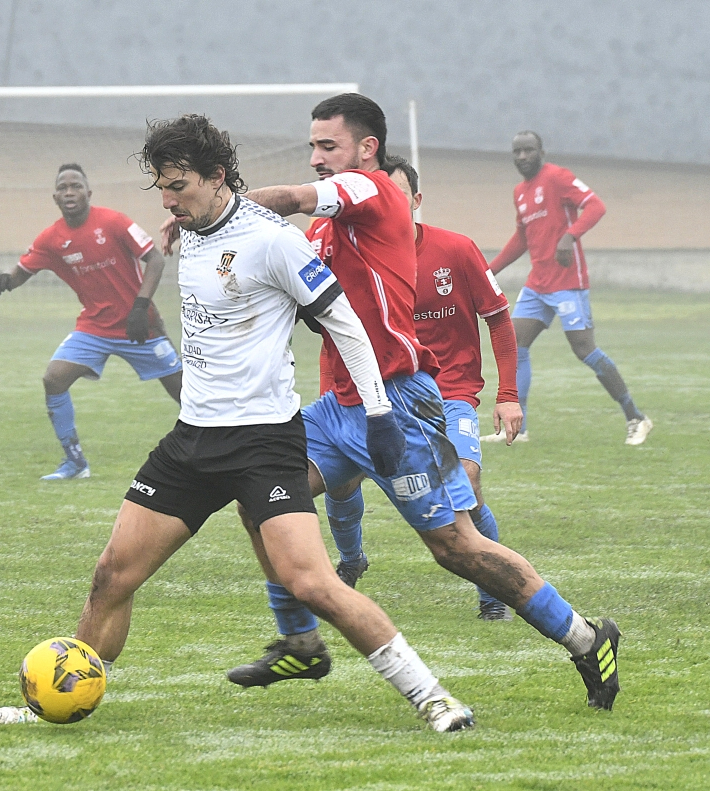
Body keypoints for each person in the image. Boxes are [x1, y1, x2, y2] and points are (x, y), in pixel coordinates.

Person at [0, 115, 476, 733]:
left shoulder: (273, 240)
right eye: (162, 188)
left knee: (312, 584)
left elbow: (345, 323)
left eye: (180, 187)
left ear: (217, 177)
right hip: (192, 440)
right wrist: (180, 217)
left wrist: (378, 412)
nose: (169, 201)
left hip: (264, 443)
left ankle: (433, 698)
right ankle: (60, 698)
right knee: (112, 575)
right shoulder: (191, 231)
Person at [218, 94, 620, 711]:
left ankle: (586, 638)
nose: (316, 156)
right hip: (339, 407)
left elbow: (292, 198)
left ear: (367, 149)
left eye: (328, 145)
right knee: (260, 498)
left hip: (400, 405)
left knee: (456, 548)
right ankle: (300, 641)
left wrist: (216, 209)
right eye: (313, 146)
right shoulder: (327, 230)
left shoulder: (374, 189)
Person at [310, 155, 524, 621]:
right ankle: (351, 560)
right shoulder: (341, 251)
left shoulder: (457, 250)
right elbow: (329, 331)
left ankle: (493, 597)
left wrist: (508, 395)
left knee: (467, 482)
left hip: (448, 393)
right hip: (371, 396)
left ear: (415, 200)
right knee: (339, 485)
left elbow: (498, 318)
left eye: (395, 196)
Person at [0, 164, 182, 480]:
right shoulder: (51, 239)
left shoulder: (114, 222)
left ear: (88, 193)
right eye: (63, 188)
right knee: (54, 379)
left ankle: (223, 446)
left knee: (187, 395)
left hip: (139, 325)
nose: (69, 192)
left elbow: (156, 260)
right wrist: (6, 280)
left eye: (75, 186)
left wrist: (140, 306)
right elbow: (22, 271)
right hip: (94, 327)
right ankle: (75, 463)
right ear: (55, 197)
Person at [483, 131, 651, 446]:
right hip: (537, 284)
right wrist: (488, 271)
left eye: (528, 150)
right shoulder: (520, 191)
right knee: (515, 344)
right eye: (517, 151)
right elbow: (522, 237)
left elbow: (596, 206)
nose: (522, 156)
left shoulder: (557, 177)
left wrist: (569, 236)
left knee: (584, 349)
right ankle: (519, 429)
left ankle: (636, 417)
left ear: (541, 152)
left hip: (568, 282)